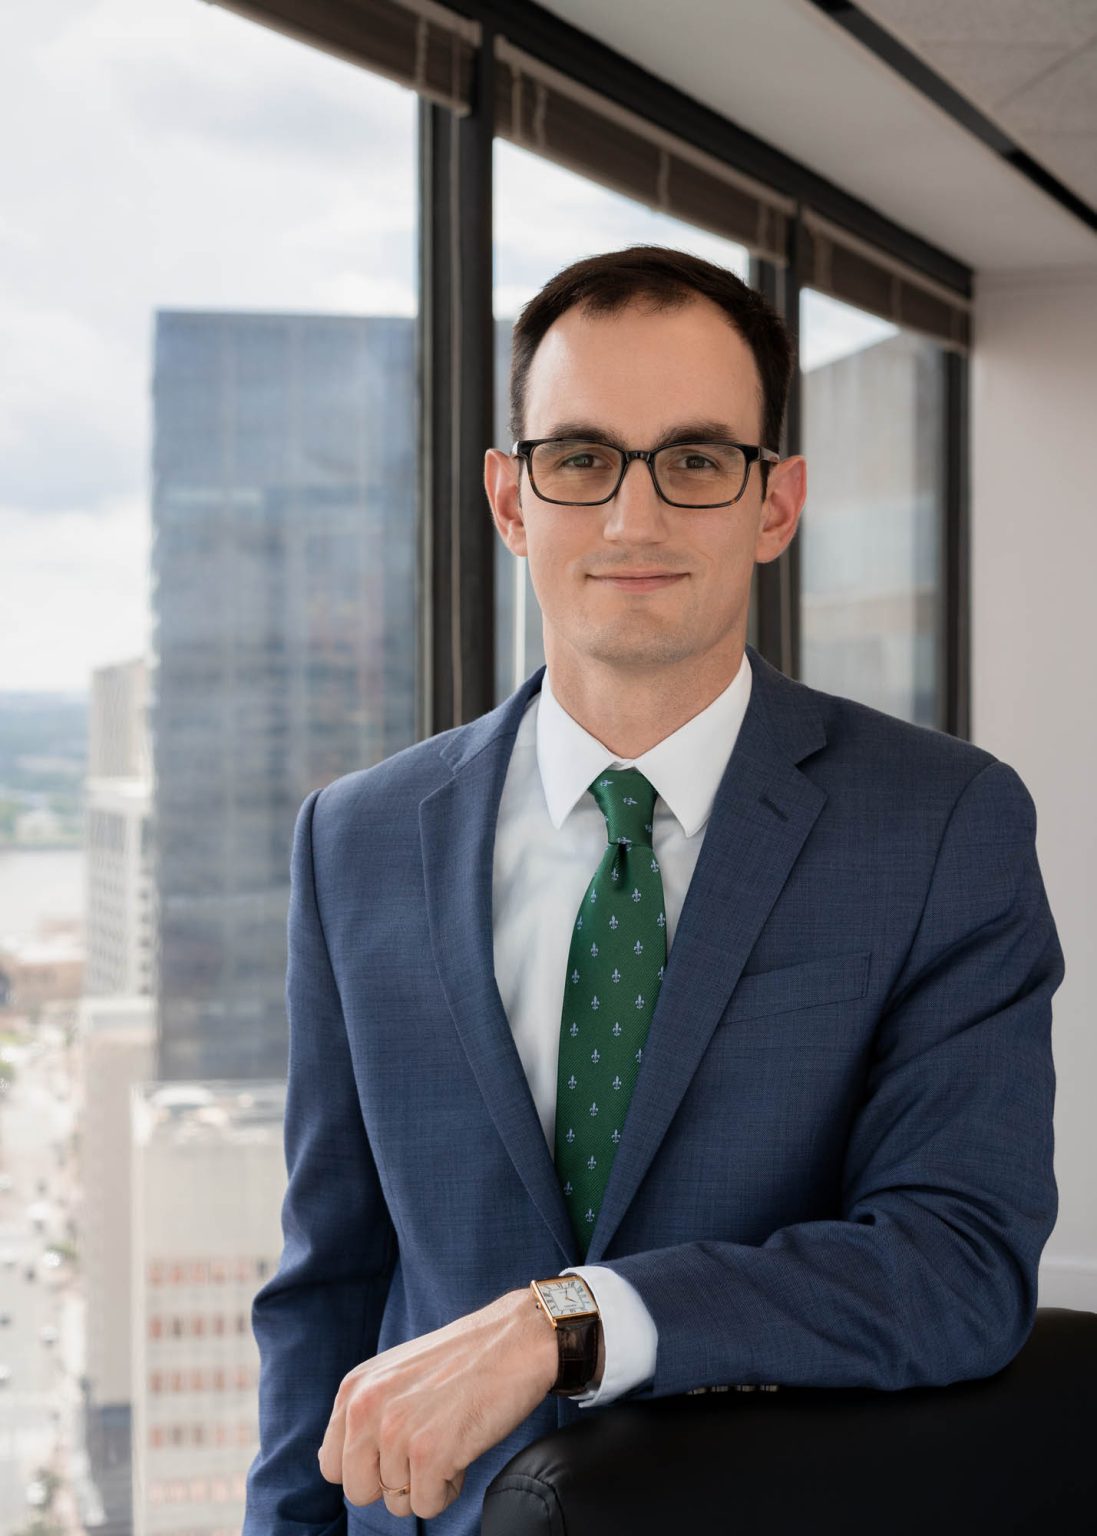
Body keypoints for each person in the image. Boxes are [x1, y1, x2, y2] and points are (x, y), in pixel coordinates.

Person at [243, 246, 1065, 1535]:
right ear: (513, 503)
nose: (633, 519)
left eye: (694, 460)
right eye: (580, 460)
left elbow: (957, 1266)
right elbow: (326, 1290)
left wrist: (567, 1323)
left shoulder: (942, 823)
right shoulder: (356, 840)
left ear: (776, 503)